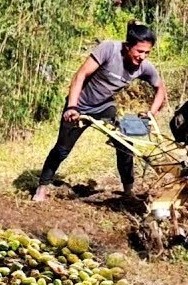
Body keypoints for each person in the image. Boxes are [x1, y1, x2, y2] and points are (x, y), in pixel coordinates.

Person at [32, 22, 167, 202]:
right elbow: (80, 75)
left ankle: (128, 192)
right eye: (139, 51)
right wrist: (72, 106)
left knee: (125, 145)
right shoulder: (109, 49)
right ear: (128, 47)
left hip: (104, 107)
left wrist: (151, 113)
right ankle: (42, 187)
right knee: (62, 149)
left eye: (147, 53)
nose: (142, 56)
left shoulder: (143, 67)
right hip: (79, 105)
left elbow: (161, 89)